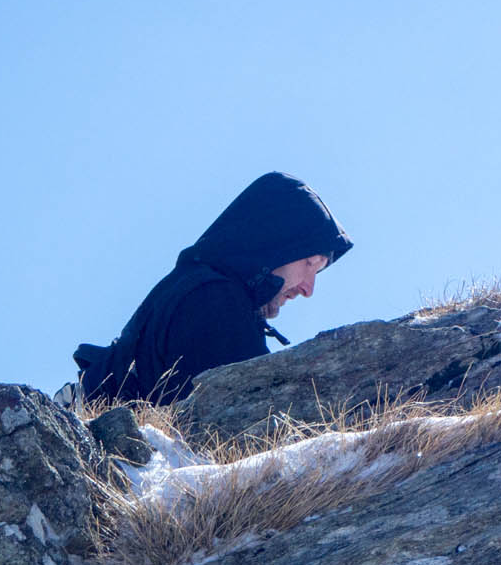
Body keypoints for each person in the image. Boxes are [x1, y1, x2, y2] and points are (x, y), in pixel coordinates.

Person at [74, 172, 352, 403]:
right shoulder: (215, 301)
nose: (308, 289)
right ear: (277, 245)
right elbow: (251, 428)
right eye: (309, 263)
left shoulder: (197, 287)